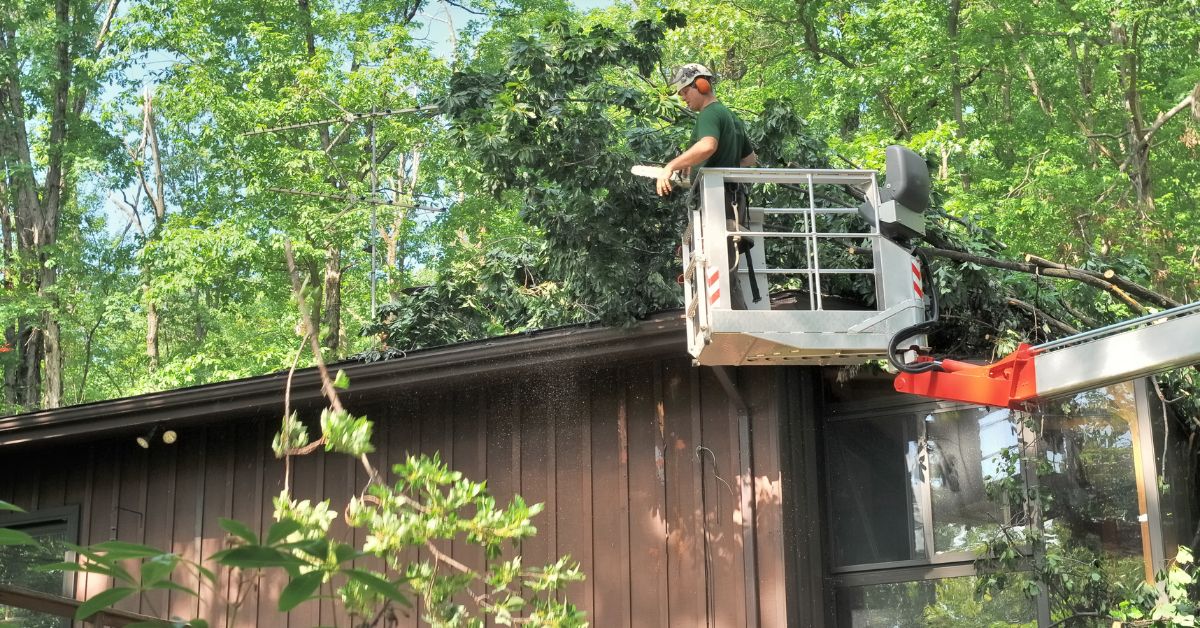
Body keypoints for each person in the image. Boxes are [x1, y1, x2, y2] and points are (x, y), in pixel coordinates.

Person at [657, 64, 759, 307]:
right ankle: (735, 313)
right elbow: (749, 159)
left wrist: (670, 166)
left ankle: (731, 317)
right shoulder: (730, 116)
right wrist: (703, 166)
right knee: (726, 264)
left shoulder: (709, 114)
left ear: (700, 85)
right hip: (733, 199)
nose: (684, 99)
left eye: (685, 92)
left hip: (718, 201)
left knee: (718, 264)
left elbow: (707, 145)